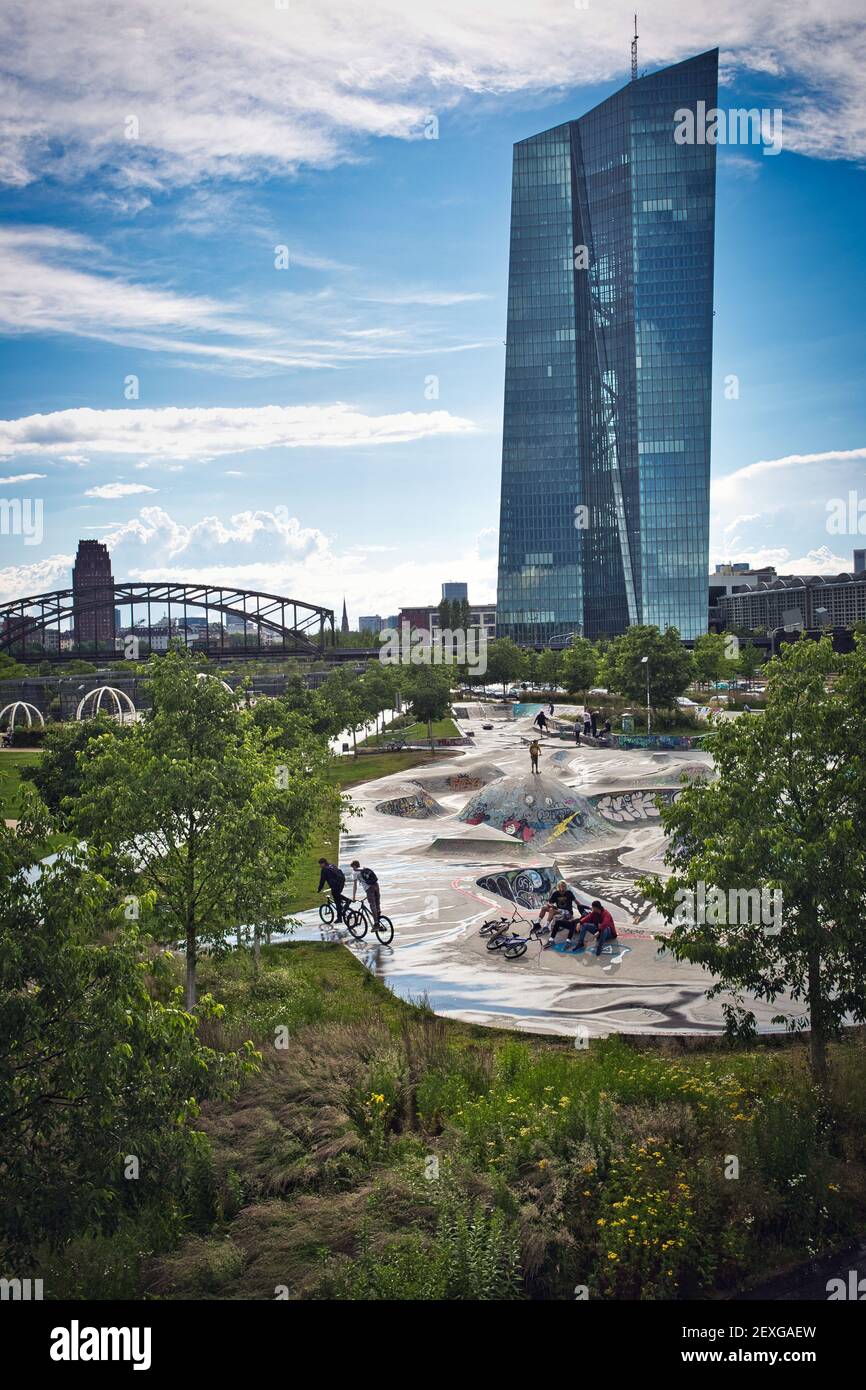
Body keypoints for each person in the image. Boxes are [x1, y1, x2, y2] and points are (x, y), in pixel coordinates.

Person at [540, 881, 581, 947]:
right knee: (544, 908)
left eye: (564, 886)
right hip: (559, 910)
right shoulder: (555, 893)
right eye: (561, 887)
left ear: (565, 887)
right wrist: (551, 905)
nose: (562, 888)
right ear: (558, 887)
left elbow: (576, 901)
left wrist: (582, 907)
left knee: (551, 910)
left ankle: (546, 926)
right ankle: (537, 923)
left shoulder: (569, 893)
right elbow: (549, 902)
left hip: (568, 912)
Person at [317, 857, 347, 922]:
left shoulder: (324, 870)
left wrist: (319, 889)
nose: (320, 866)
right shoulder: (332, 865)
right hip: (341, 883)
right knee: (337, 896)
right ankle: (346, 902)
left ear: (323, 863)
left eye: (320, 864)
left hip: (335, 885)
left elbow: (322, 881)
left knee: (337, 902)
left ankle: (339, 918)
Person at [350, 859, 380, 925]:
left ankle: (376, 924)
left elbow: (355, 886)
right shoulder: (364, 868)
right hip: (376, 885)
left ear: (354, 866)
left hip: (369, 889)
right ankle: (379, 916)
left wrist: (353, 897)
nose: (352, 869)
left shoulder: (355, 873)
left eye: (352, 867)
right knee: (377, 903)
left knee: (372, 905)